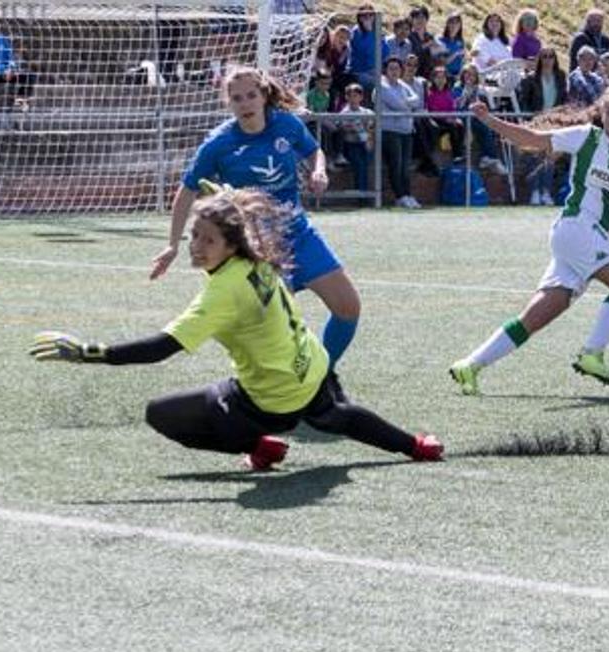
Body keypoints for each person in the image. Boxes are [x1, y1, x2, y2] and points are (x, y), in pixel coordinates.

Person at [32, 187, 443, 470]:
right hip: (314, 368)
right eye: (195, 236)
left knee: (162, 415)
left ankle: (259, 445)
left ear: (231, 246)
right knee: (333, 414)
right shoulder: (259, 257)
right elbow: (246, 220)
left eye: (207, 240)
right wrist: (226, 203)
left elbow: (162, 347)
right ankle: (415, 446)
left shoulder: (223, 292)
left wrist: (91, 352)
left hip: (273, 399)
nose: (196, 246)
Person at [152, 67, 362, 373]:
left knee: (348, 307)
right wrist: (172, 245)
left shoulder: (286, 125)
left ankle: (322, 375)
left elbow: (313, 150)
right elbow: (186, 192)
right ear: (228, 103)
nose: (245, 103)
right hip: (259, 247)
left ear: (264, 96)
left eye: (251, 95)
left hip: (299, 233)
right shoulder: (218, 143)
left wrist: (320, 171)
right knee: (280, 331)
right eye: (237, 98)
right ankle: (284, 392)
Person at [448, 89, 609, 395]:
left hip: (584, 239)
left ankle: (470, 365)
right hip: (575, 228)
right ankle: (592, 354)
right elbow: (531, 138)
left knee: (536, 318)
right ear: (602, 115)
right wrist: (489, 120)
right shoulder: (588, 137)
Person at [517, 47, 567, 204]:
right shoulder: (530, 79)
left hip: (554, 123)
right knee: (535, 158)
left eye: (551, 56)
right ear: (540, 59)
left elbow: (563, 99)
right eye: (544, 56)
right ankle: (535, 192)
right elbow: (523, 102)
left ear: (555, 59)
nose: (547, 59)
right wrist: (532, 117)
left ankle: (546, 191)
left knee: (550, 159)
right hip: (536, 123)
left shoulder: (560, 76)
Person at [376, 56, 422, 208]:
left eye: (397, 68)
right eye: (391, 68)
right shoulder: (381, 86)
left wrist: (406, 104)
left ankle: (408, 194)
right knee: (396, 165)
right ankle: (400, 196)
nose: (395, 71)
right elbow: (398, 106)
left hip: (406, 130)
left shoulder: (403, 85)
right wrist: (408, 105)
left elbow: (417, 99)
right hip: (390, 131)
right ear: (386, 70)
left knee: (405, 166)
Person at [336, 83, 373, 193]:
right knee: (360, 165)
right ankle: (362, 193)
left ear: (361, 97)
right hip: (351, 144)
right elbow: (341, 127)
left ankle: (363, 192)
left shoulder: (368, 112)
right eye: (350, 96)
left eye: (356, 96)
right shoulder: (344, 113)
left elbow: (371, 129)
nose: (353, 98)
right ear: (346, 97)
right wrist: (350, 128)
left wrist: (369, 140)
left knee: (364, 165)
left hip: (365, 144)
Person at [567, 9, 609, 75]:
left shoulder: (605, 39)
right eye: (594, 21)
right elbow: (576, 60)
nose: (597, 24)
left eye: (599, 21)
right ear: (588, 22)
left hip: (604, 76)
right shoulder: (580, 38)